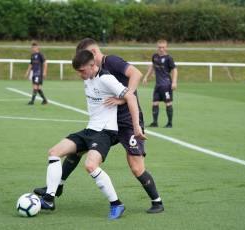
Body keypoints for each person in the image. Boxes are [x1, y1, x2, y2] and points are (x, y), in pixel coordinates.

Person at [35, 38, 164, 214]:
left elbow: (136, 74)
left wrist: (123, 99)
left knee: (135, 166)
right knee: (76, 150)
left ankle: (156, 201)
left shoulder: (111, 62)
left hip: (126, 122)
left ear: (93, 54)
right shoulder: (90, 75)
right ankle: (55, 189)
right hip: (105, 123)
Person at [142, 39, 178, 128]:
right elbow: (152, 67)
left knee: (168, 103)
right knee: (155, 103)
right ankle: (155, 122)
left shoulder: (169, 58)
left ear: (166, 48)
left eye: (163, 47)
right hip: (158, 85)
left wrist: (174, 82)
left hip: (166, 85)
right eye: (159, 47)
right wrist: (146, 77)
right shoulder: (155, 56)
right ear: (157, 47)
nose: (161, 49)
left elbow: (175, 70)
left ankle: (169, 123)